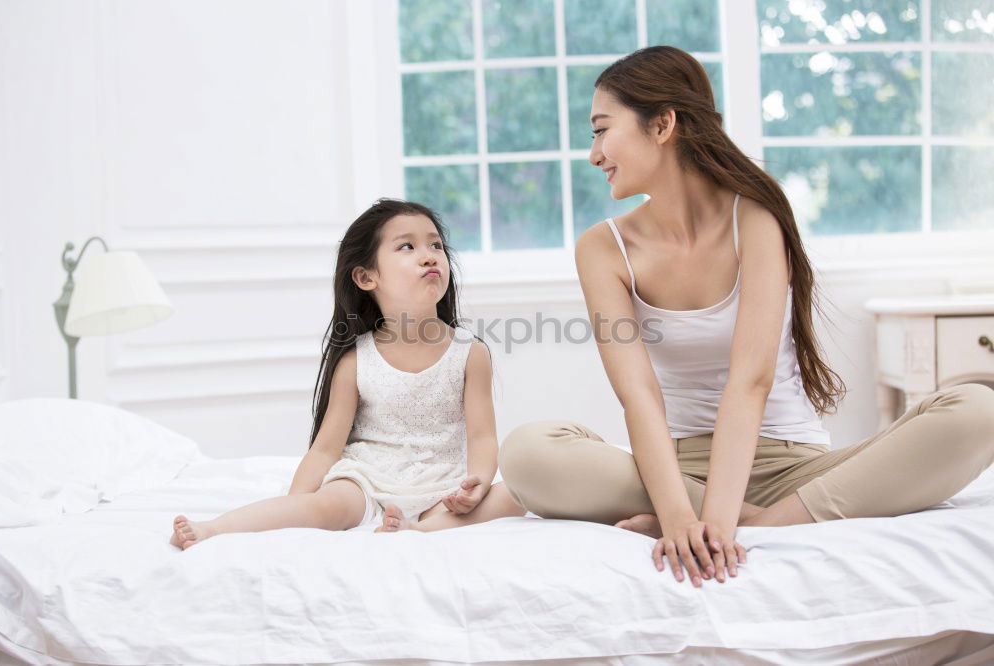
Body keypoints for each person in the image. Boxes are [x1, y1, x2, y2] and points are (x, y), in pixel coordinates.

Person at [497, 46, 994, 589]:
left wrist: (717, 522)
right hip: (677, 471)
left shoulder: (754, 218)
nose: (594, 154)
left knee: (978, 410)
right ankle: (764, 521)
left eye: (601, 130)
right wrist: (681, 514)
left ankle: (768, 523)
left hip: (795, 470)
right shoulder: (603, 247)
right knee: (527, 454)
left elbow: (750, 381)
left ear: (662, 124)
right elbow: (638, 396)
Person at [171, 199, 525, 549]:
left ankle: (421, 530)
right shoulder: (358, 359)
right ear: (366, 276)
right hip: (366, 480)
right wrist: (299, 504)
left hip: (441, 481)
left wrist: (476, 483)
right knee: (328, 505)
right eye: (407, 246)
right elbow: (326, 450)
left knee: (516, 495)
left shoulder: (469, 352)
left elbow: (481, 437)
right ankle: (215, 529)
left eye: (436, 244)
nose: (430, 254)